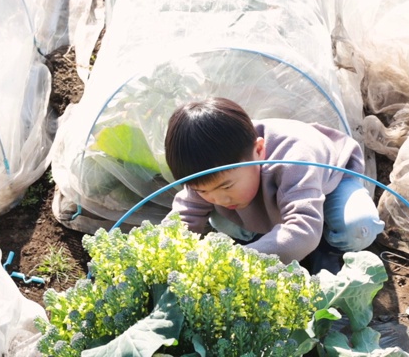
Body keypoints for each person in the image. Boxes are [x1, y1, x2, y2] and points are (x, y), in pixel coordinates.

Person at [164, 97, 384, 274]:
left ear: (259, 151)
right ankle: (273, 242)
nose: (219, 199)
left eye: (226, 187)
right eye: (202, 191)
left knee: (358, 227)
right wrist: (163, 255)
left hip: (328, 184)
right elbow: (182, 218)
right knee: (219, 219)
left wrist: (232, 262)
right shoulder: (212, 170)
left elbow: (303, 231)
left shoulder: (295, 159)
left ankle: (327, 249)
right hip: (270, 195)